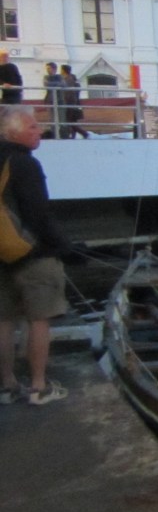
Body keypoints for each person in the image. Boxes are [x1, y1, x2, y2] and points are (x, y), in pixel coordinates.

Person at [0, 105, 73, 406]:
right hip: (32, 254)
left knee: (4, 320)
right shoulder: (25, 164)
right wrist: (62, 245)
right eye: (31, 126)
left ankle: (6, 385)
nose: (39, 131)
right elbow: (38, 214)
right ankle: (38, 386)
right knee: (39, 319)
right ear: (13, 132)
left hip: (1, 254)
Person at [60, 65, 86, 138]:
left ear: (64, 70)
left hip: (69, 102)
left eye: (61, 70)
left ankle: (83, 133)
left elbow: (69, 92)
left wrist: (65, 101)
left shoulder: (68, 79)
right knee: (72, 120)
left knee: (69, 120)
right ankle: (73, 136)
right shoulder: (72, 79)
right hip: (73, 102)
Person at [43, 63, 64, 138]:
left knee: (62, 120)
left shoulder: (59, 77)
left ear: (54, 69)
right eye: (47, 68)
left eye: (49, 68)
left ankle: (63, 136)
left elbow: (64, 84)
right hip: (50, 100)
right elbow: (46, 84)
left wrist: (52, 84)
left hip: (60, 100)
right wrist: (57, 84)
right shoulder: (46, 77)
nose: (47, 70)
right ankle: (54, 136)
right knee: (52, 120)